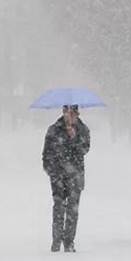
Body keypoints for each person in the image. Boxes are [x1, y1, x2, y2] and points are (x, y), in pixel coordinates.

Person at [42, 105, 90, 252]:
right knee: (58, 207)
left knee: (73, 209)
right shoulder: (54, 129)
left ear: (77, 114)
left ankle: (69, 241)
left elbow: (85, 149)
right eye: (67, 113)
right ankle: (56, 241)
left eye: (73, 113)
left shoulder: (83, 130)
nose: (70, 116)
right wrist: (52, 171)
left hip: (75, 176)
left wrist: (74, 137)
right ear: (63, 113)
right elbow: (46, 154)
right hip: (58, 176)